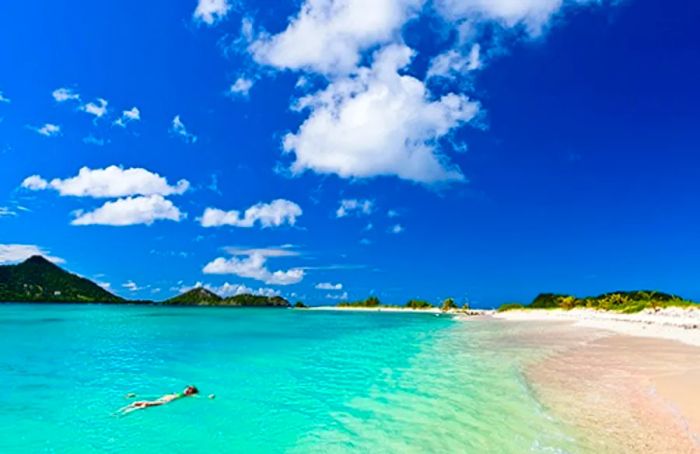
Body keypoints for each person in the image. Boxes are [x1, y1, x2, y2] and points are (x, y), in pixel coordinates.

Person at [118, 385, 198, 414]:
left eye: (189, 390)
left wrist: (209, 397)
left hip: (163, 402)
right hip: (159, 400)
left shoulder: (186, 395)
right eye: (187, 388)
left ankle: (122, 414)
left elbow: (197, 396)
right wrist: (135, 395)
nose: (186, 390)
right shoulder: (180, 393)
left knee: (143, 405)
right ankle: (119, 411)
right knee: (136, 402)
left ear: (190, 393)